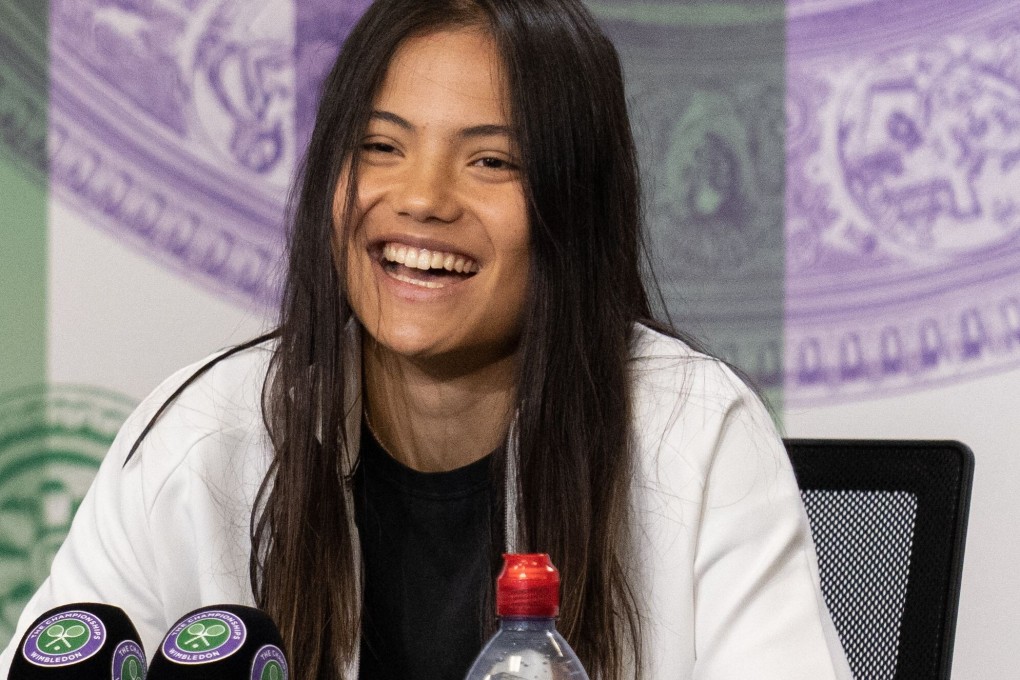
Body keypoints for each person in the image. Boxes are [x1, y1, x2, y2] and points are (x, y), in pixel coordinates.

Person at [0, 1, 852, 678]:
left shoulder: (692, 435)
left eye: (491, 162)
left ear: (572, 206)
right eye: (381, 147)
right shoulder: (205, 435)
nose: (421, 198)